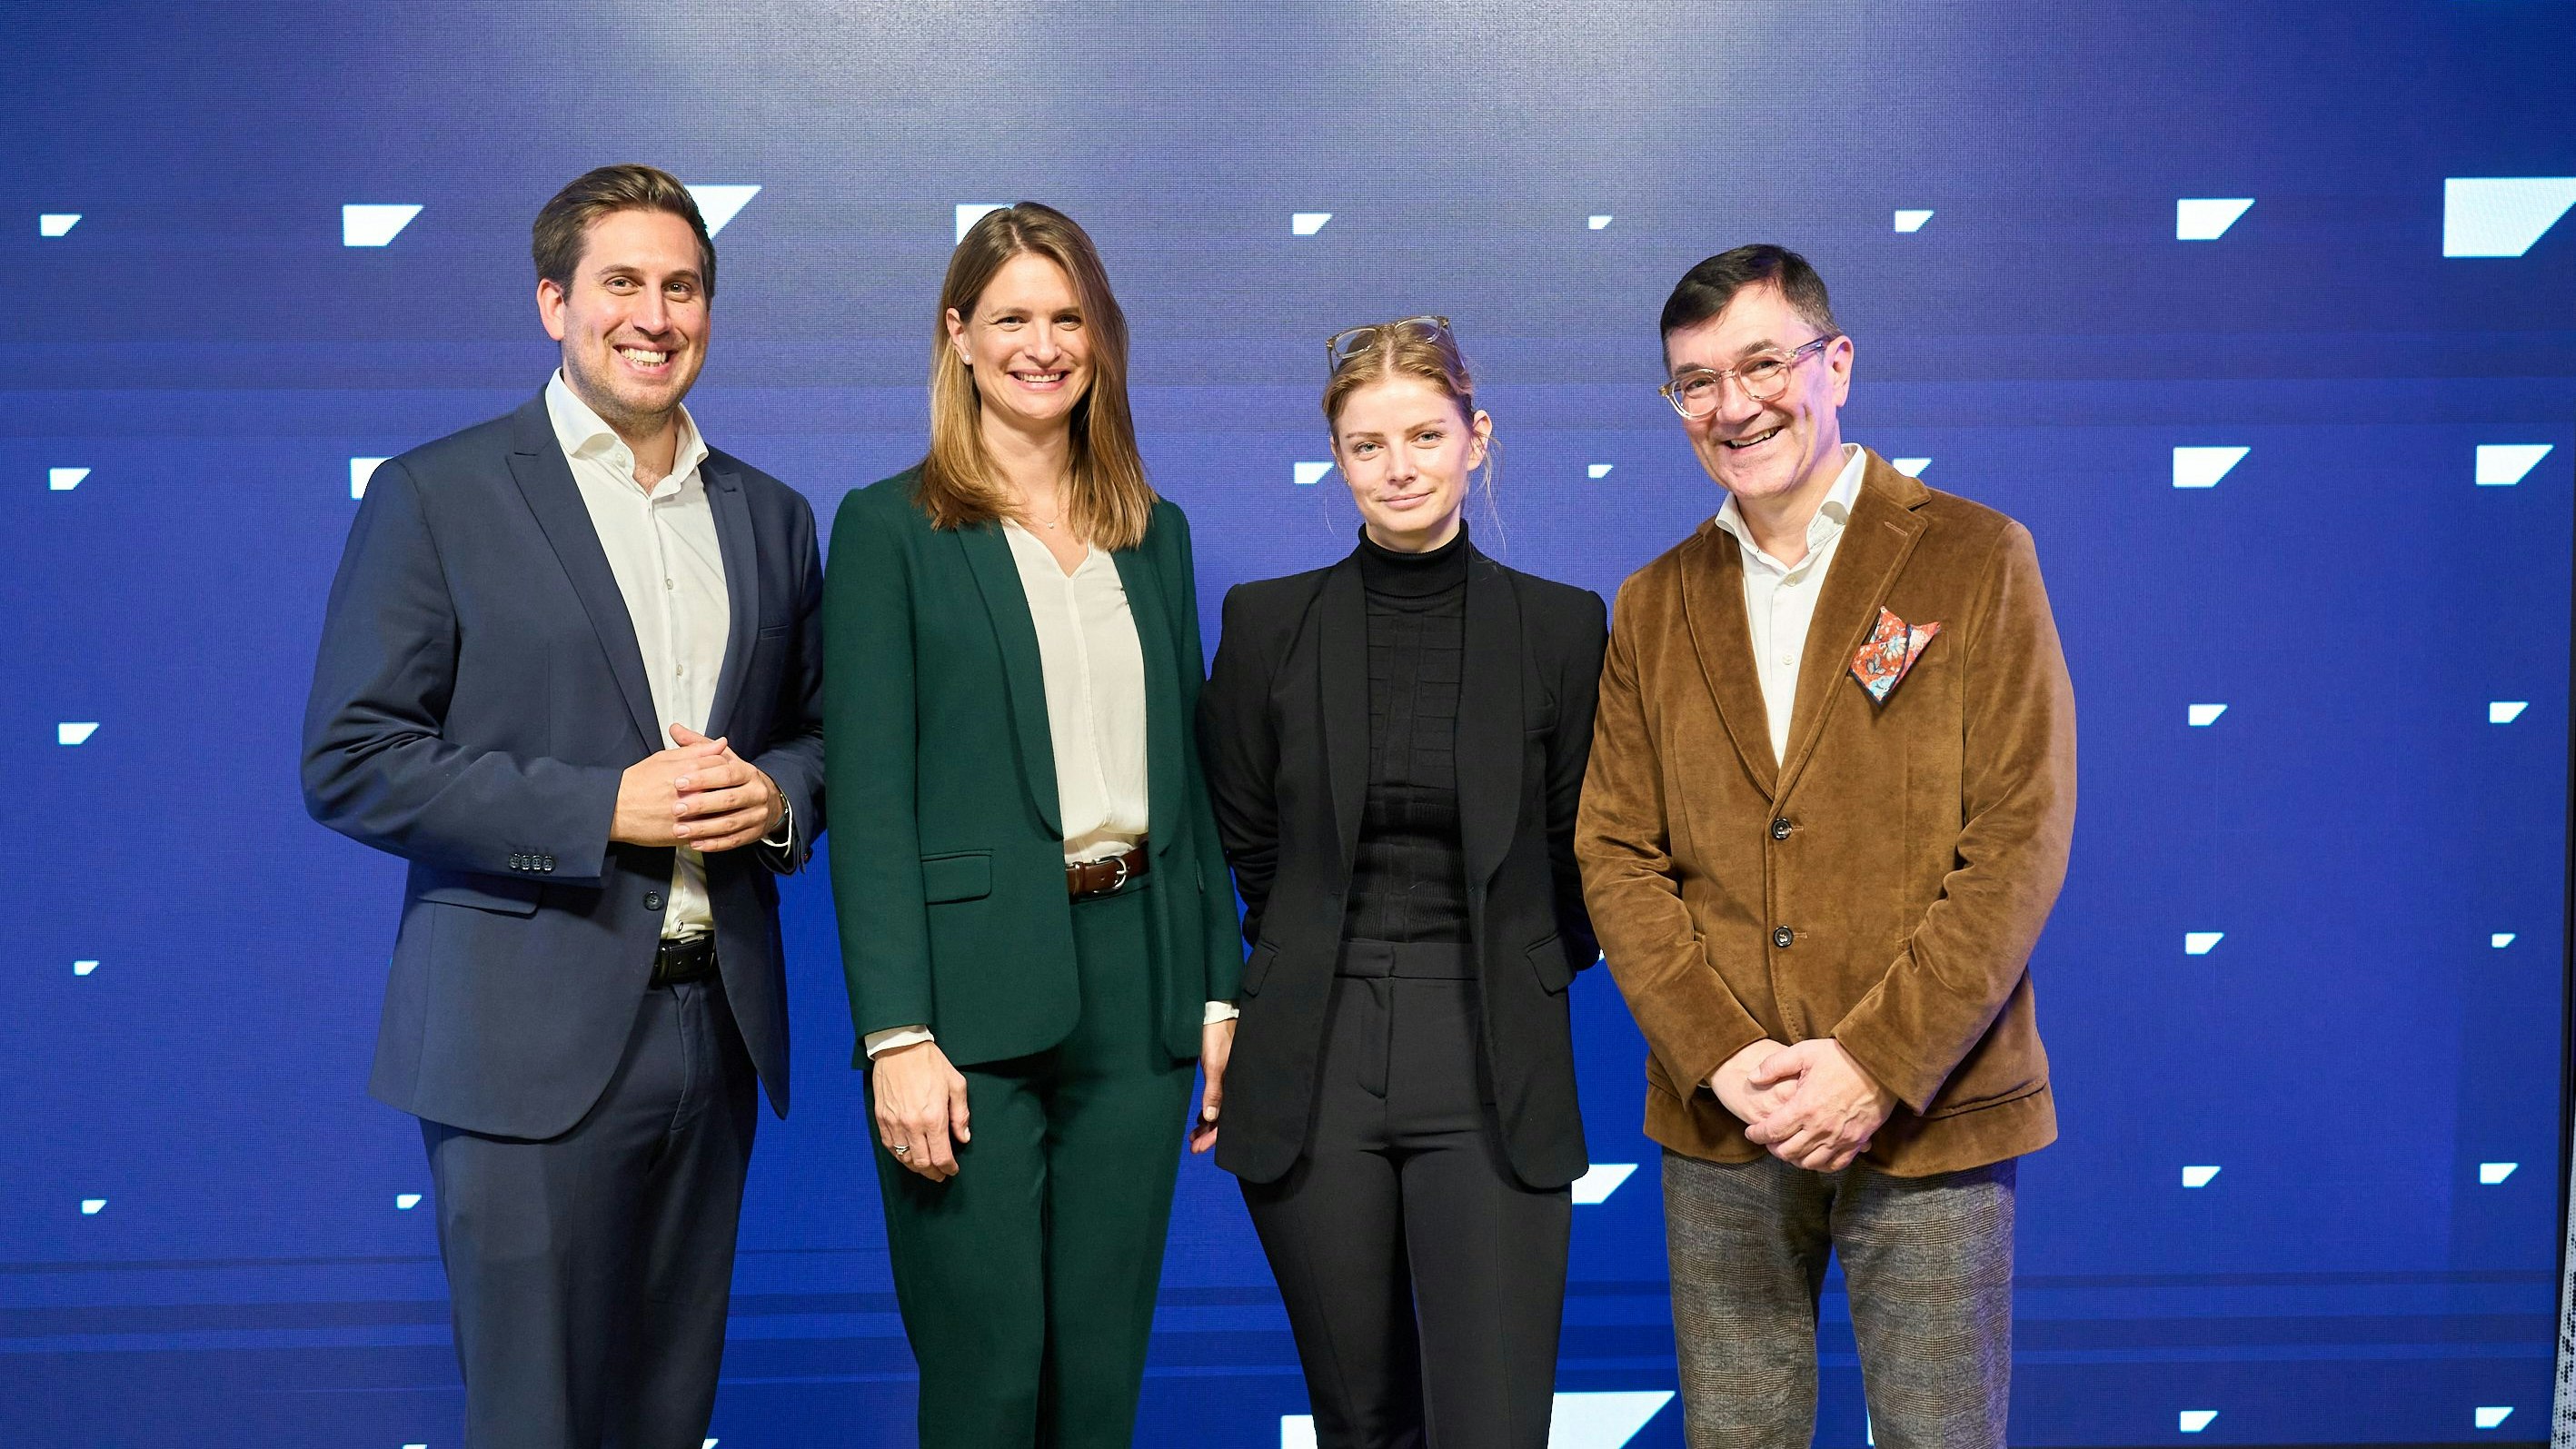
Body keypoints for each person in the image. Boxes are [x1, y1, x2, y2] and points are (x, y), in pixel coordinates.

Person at [301, 164, 826, 1447]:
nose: (655, 315)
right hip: (519, 1044)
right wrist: (603, 807)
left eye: (683, 286)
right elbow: (353, 756)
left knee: (666, 1416)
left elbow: (821, 736)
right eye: (621, 284)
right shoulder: (438, 494)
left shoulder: (770, 515)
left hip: (714, 1035)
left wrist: (773, 793)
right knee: (536, 1421)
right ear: (552, 301)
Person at [1576, 244, 2076, 1449]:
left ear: (1833, 362)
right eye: (1694, 381)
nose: (1732, 404)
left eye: (1761, 363)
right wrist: (1719, 1052)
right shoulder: (1651, 600)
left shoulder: (1971, 554)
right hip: (1723, 1121)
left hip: (1929, 1106)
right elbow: (1613, 850)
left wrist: (1870, 1062)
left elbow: (2016, 834)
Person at [821, 202, 1241, 1449]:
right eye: (1010, 317)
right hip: (962, 1009)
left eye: (1068, 318)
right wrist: (894, 1030)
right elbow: (872, 803)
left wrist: (1216, 992)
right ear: (957, 335)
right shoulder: (887, 529)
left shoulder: (1151, 534)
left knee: (1098, 1382)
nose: (1041, 343)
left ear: (1099, 339)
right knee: (987, 1378)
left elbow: (1193, 784)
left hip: (1140, 993)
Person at [1198, 316, 1607, 1448]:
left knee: (1494, 1426)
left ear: (1478, 437)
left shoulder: (1564, 628)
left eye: (1426, 434)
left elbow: (1586, 851)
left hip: (1494, 1057)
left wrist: (1526, 963)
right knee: (1362, 1420)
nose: (1399, 466)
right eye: (1366, 444)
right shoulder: (1268, 623)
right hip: (1311, 1058)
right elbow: (1249, 841)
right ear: (1337, 456)